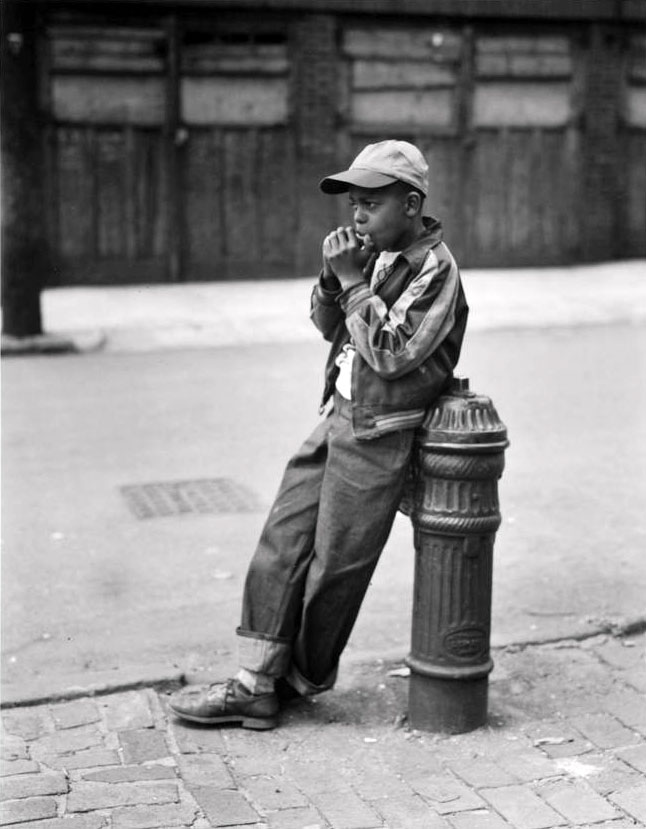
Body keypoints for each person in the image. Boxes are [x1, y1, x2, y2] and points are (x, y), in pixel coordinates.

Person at [169, 139, 469, 729]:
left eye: (371, 204)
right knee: (282, 538)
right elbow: (328, 326)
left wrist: (355, 281)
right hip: (339, 414)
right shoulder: (375, 254)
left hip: (381, 431)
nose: (357, 216)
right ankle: (254, 678)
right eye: (353, 204)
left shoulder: (436, 269)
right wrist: (336, 282)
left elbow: (391, 353)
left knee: (336, 567)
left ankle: (294, 682)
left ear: (411, 205)